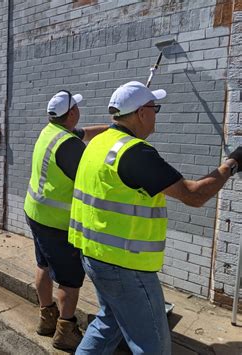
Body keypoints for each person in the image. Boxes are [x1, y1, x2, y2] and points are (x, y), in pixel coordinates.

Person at [68, 81, 242, 354]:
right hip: (125, 266)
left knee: (109, 322)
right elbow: (193, 195)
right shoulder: (135, 153)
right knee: (153, 346)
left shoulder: (98, 143)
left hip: (93, 255)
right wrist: (232, 163)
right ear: (140, 114)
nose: (156, 114)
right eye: (154, 107)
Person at [24, 90, 108, 351]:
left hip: (36, 214)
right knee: (69, 280)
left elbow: (83, 133)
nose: (79, 112)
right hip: (57, 224)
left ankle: (46, 318)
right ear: (71, 113)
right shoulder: (69, 145)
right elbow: (89, 180)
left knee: (43, 265)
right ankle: (65, 330)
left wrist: (112, 128)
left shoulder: (50, 131)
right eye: (77, 108)